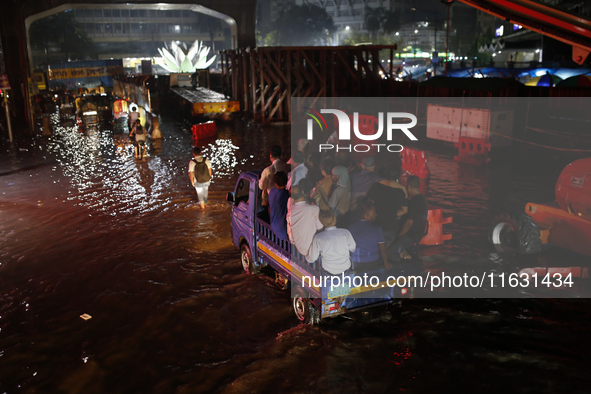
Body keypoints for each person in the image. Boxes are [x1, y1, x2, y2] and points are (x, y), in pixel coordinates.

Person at [387, 176, 428, 262]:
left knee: (389, 252)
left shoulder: (414, 202)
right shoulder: (422, 199)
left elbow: (408, 224)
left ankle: (401, 263)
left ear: (408, 187)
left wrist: (399, 237)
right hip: (417, 233)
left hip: (410, 235)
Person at [367, 167, 408, 249]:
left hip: (376, 224)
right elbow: (405, 210)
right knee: (387, 251)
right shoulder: (400, 192)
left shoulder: (376, 186)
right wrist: (392, 213)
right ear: (398, 176)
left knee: (374, 250)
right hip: (390, 227)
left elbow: (369, 205)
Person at [307, 210, 356, 276]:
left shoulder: (318, 238)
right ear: (334, 220)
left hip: (328, 273)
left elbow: (312, 258)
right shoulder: (345, 233)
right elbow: (353, 249)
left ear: (321, 222)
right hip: (345, 271)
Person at [348, 202, 391, 271]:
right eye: (374, 213)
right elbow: (383, 248)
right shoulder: (376, 228)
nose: (376, 215)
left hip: (355, 262)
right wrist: (386, 263)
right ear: (367, 213)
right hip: (372, 261)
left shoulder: (350, 226)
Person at [287, 185, 323, 257]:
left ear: (293, 199)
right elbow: (320, 227)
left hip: (300, 248)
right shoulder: (314, 208)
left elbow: (290, 234)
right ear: (303, 192)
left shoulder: (289, 213)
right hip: (314, 249)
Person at [268, 171, 289, 240]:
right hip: (284, 231)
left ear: (275, 183)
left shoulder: (272, 192)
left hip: (274, 226)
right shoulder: (287, 195)